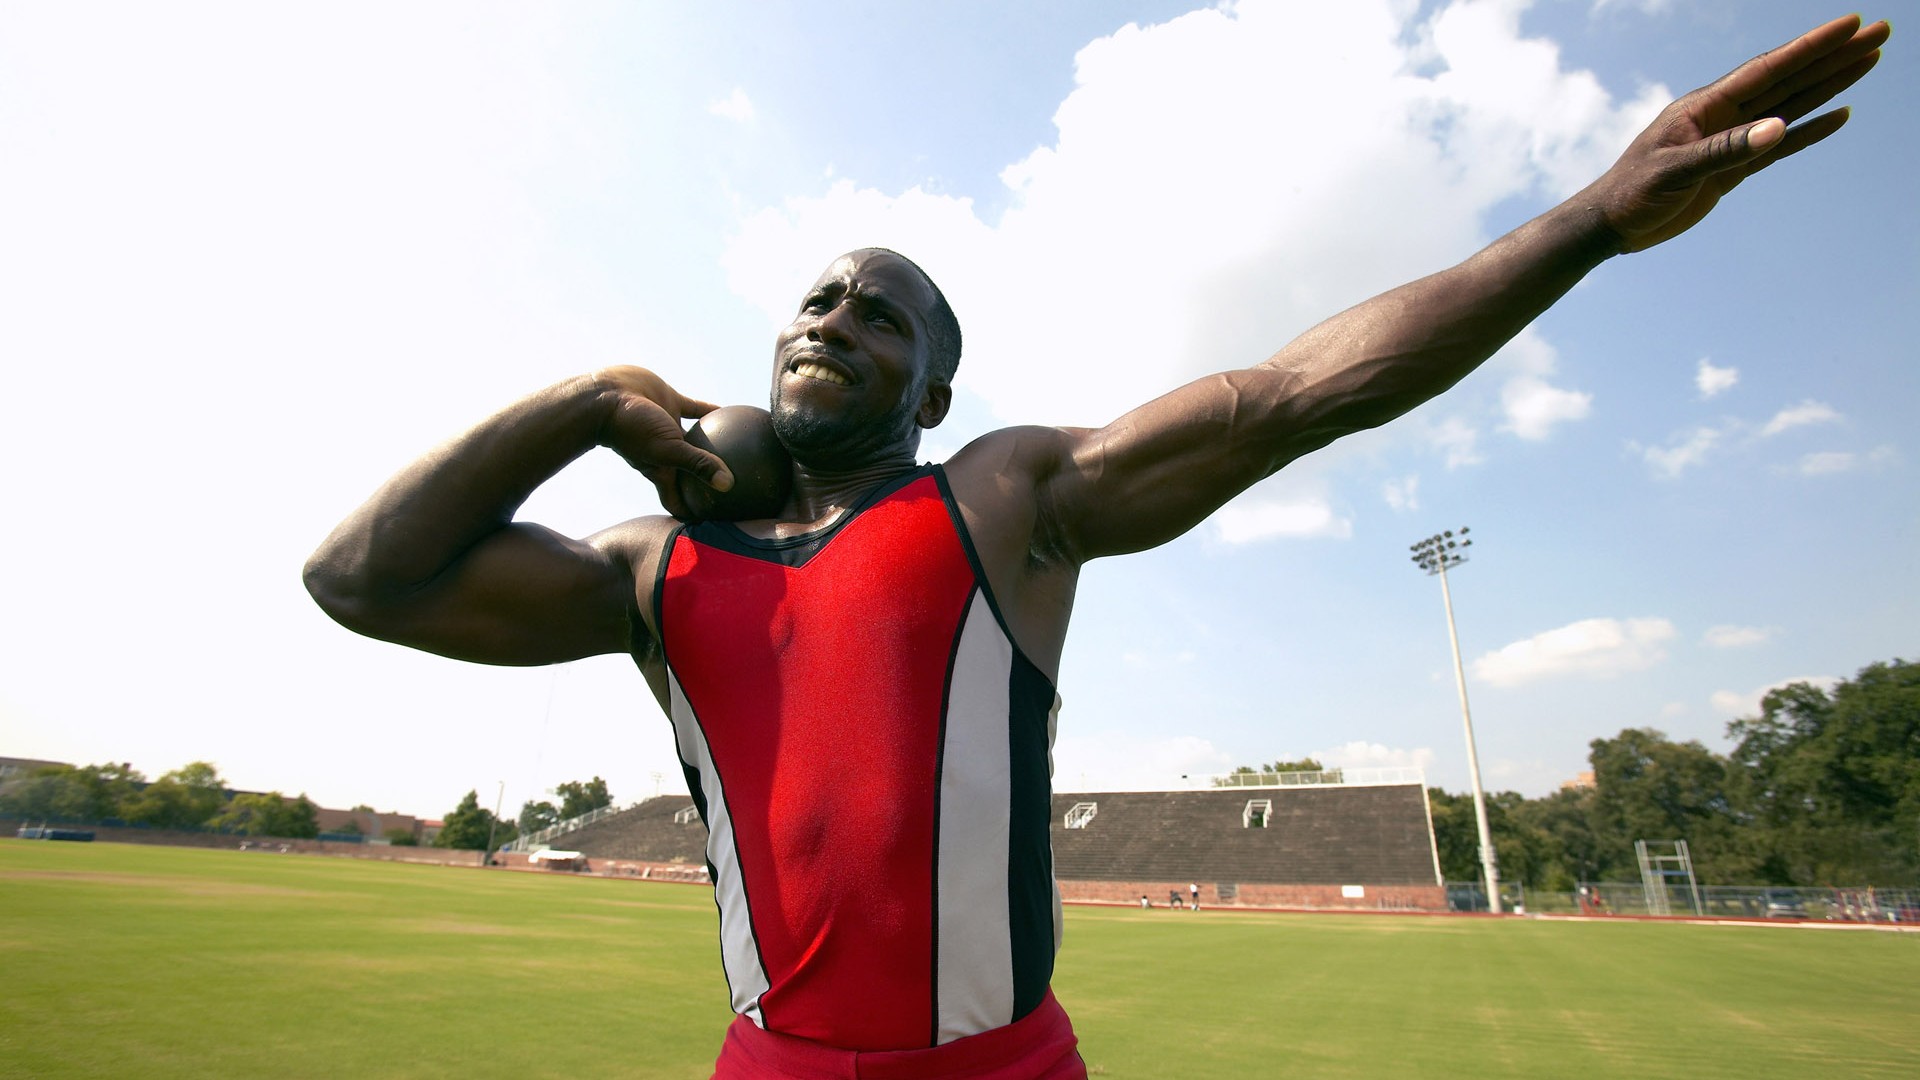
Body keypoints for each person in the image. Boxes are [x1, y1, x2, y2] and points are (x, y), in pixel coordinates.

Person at [304, 17, 1887, 1079]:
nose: (833, 321)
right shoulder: (653, 567)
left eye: (884, 315)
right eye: (815, 301)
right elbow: (362, 578)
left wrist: (1600, 212)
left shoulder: (1003, 499)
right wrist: (585, 404)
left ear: (935, 386)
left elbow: (1298, 393)